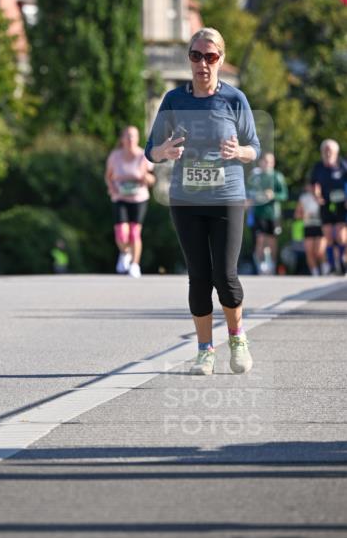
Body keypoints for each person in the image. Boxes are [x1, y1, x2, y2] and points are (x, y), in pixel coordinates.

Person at [145, 27, 260, 376]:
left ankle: (237, 338)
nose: (203, 64)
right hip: (186, 200)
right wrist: (163, 151)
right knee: (199, 277)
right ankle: (205, 350)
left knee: (225, 277)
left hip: (226, 198)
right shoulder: (173, 100)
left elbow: (254, 147)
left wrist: (239, 150)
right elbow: (151, 149)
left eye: (210, 57)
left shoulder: (235, 100)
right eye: (196, 56)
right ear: (189, 60)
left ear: (221, 60)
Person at [105, 125, 154, 278]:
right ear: (122, 139)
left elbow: (152, 179)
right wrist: (112, 188)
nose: (130, 139)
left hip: (139, 198)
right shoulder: (115, 156)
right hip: (120, 197)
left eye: (133, 136)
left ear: (138, 139)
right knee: (121, 233)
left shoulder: (143, 156)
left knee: (134, 233)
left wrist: (145, 178)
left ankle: (134, 264)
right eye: (127, 136)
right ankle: (125, 253)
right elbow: (108, 176)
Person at [310, 139, 347, 275]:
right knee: (329, 236)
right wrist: (316, 194)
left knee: (341, 236)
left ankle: (342, 260)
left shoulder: (343, 165)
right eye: (325, 150)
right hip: (325, 204)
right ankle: (331, 265)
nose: (327, 152)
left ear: (336, 152)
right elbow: (314, 184)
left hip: (341, 204)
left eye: (330, 150)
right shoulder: (318, 167)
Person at [247, 152, 288, 274]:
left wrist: (273, 195)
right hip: (258, 213)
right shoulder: (255, 176)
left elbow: (284, 195)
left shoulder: (277, 176)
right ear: (260, 162)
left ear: (273, 163)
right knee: (259, 240)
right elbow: (248, 192)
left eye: (270, 161)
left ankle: (272, 266)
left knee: (272, 241)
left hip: (273, 214)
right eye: (265, 161)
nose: (267, 164)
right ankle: (260, 268)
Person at [294, 181, 324, 276]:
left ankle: (325, 269)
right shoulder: (304, 198)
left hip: (321, 226)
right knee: (309, 251)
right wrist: (304, 215)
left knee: (319, 251)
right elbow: (297, 214)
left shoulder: (324, 196)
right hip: (308, 226)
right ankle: (315, 272)